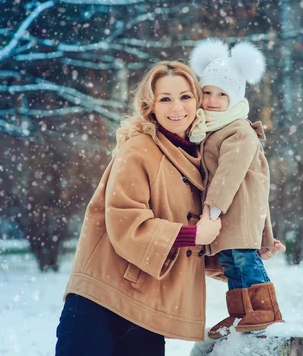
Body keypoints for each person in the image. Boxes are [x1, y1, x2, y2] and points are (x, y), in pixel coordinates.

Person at [55, 61, 225, 356]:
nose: (177, 107)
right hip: (101, 300)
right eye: (165, 98)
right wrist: (192, 235)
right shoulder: (138, 149)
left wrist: (248, 248)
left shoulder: (201, 160)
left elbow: (200, 245)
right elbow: (126, 221)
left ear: (198, 101)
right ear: (151, 106)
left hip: (147, 309)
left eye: (185, 97)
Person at [189, 38, 285, 340]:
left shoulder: (239, 129)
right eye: (207, 92)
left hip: (236, 210)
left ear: (236, 96)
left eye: (221, 94)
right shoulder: (211, 129)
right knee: (231, 264)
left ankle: (265, 308)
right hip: (224, 214)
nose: (213, 100)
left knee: (244, 258)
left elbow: (228, 174)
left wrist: (212, 209)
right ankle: (240, 312)